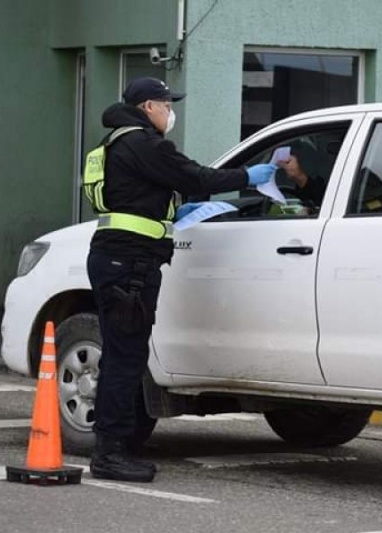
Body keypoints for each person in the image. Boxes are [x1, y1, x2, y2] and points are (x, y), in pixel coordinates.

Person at [86, 77, 275, 483]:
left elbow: (139, 194)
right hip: (129, 264)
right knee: (125, 359)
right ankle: (109, 454)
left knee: (122, 355)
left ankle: (111, 448)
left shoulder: (116, 143)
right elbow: (197, 177)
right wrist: (250, 176)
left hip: (118, 258)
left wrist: (171, 211)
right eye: (166, 104)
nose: (170, 111)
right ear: (148, 107)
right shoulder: (144, 143)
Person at [278, 141, 326, 211]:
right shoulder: (277, 180)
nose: (283, 166)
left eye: (288, 162)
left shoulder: (322, 188)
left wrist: (300, 177)